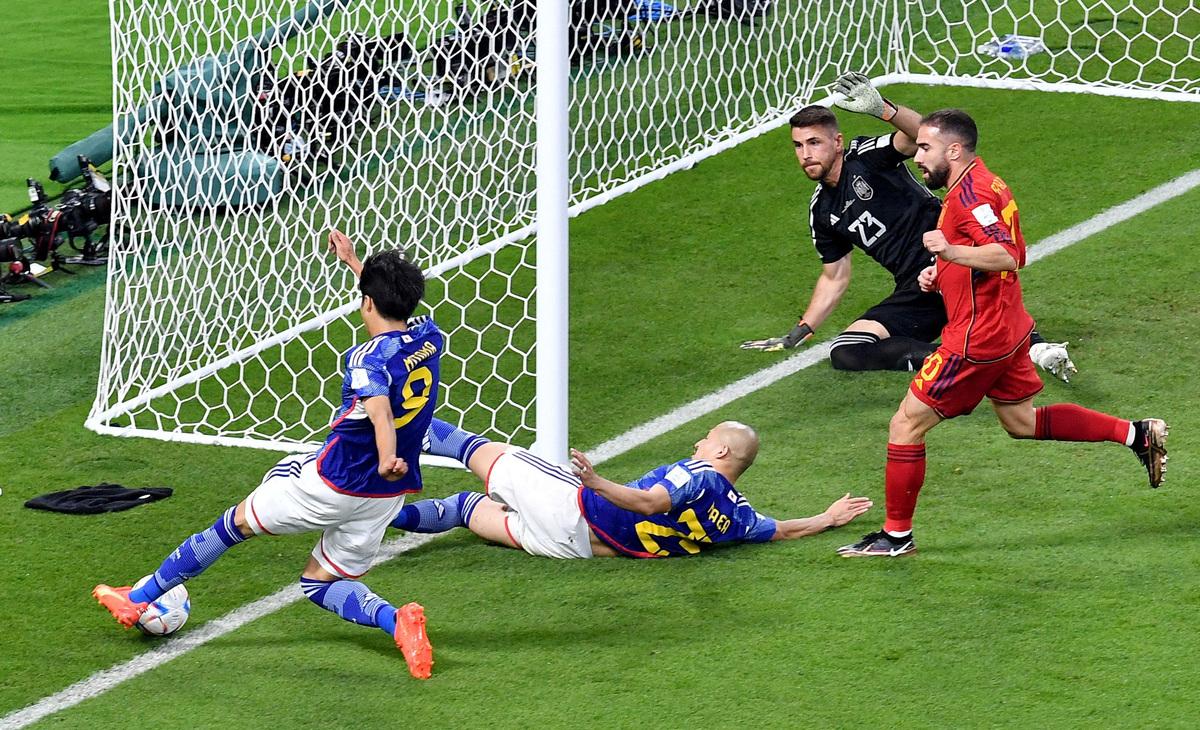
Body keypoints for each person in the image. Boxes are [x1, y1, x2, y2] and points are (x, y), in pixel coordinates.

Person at [93, 230, 441, 679]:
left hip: (335, 484)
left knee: (234, 523)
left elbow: (379, 414)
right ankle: (399, 622)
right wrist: (355, 264)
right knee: (320, 582)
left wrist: (385, 456)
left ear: (367, 304)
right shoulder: (430, 336)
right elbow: (392, 313)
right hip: (387, 496)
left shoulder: (365, 359)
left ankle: (139, 597)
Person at [836, 109, 1169, 558]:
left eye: (927, 148)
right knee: (1021, 421)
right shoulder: (981, 183)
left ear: (954, 150)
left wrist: (949, 249)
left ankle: (896, 537)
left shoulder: (971, 196)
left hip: (978, 337)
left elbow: (1009, 254)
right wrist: (943, 269)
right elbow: (985, 249)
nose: (918, 156)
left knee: (906, 425)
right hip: (1008, 325)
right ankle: (1136, 434)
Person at [740, 72, 1076, 381]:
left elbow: (923, 137)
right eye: (798, 146)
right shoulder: (822, 211)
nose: (805, 154)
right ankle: (949, 360)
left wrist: (884, 109)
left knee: (965, 292)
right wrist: (801, 329)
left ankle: (1037, 348)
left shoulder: (864, 156)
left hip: (956, 259)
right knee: (845, 350)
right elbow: (835, 276)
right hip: (916, 287)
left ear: (837, 142)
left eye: (814, 143)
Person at [390, 418, 872, 558]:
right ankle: (376, 515)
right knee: (466, 507)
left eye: (707, 438)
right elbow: (783, 530)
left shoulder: (696, 475)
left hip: (575, 508)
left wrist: (595, 480)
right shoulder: (739, 516)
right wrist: (827, 519)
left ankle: (389, 423)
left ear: (722, 453)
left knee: (472, 448)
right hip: (574, 546)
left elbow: (649, 501)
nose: (698, 441)